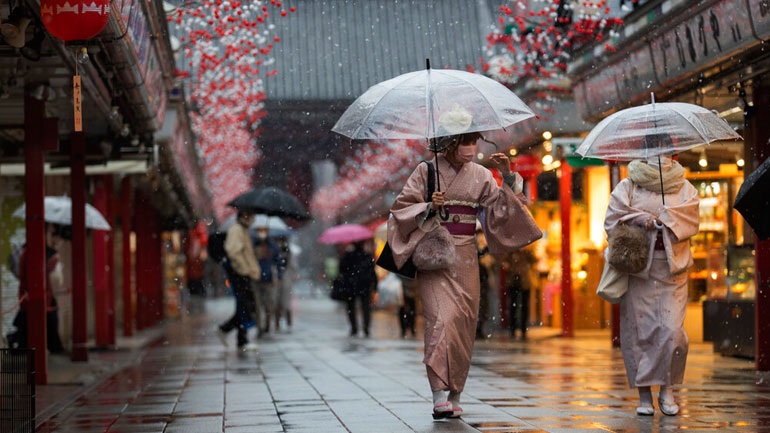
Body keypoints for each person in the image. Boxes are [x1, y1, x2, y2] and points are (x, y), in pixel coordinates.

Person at [387, 121, 541, 419]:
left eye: (474, 142)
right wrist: (429, 207)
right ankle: (437, 394)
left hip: (467, 255)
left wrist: (508, 175)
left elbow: (501, 211)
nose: (471, 148)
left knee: (464, 323)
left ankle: (456, 392)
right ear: (448, 143)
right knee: (439, 320)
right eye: (464, 142)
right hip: (436, 255)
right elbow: (402, 208)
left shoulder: (482, 175)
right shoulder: (426, 171)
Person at [604, 133, 699, 417]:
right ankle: (644, 393)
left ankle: (667, 388)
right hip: (638, 268)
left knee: (672, 332)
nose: (660, 157)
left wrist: (668, 219)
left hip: (672, 268)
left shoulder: (684, 187)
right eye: (654, 151)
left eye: (665, 151)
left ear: (674, 155)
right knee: (639, 333)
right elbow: (612, 219)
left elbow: (691, 218)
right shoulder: (628, 185)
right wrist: (640, 219)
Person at [6, 223, 66, 354]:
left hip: (37, 295)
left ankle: (18, 342)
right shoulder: (33, 252)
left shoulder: (30, 251)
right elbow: (41, 274)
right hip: (35, 296)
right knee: (34, 326)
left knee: (29, 327)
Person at [216, 211, 261, 351]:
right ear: (244, 216)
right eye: (250, 215)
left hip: (244, 273)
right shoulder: (237, 230)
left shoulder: (244, 230)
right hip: (240, 273)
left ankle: (232, 333)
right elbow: (233, 251)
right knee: (245, 305)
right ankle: (239, 338)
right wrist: (244, 268)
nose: (253, 218)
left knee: (244, 306)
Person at [338, 241, 377, 337]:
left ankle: (354, 328)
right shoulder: (367, 256)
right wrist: (375, 285)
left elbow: (341, 270)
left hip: (351, 286)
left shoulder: (347, 256)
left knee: (351, 307)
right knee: (366, 308)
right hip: (364, 286)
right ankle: (366, 328)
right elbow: (372, 272)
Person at [252, 225, 281, 337]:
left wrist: (278, 275)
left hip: (269, 279)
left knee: (269, 304)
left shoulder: (272, 246)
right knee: (257, 305)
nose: (262, 233)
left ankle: (268, 324)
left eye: (264, 230)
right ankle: (260, 327)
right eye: (260, 230)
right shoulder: (253, 244)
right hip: (256, 278)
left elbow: (278, 261)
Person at [502, 248, 536, 340]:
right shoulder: (510, 252)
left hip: (524, 282)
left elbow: (534, 261)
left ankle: (523, 329)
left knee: (524, 306)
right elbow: (504, 263)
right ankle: (513, 329)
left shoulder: (527, 252)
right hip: (513, 281)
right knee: (513, 306)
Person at [397, 274, 418, 339]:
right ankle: (409, 328)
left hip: (408, 290)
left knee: (408, 310)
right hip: (409, 291)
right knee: (409, 310)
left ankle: (407, 328)